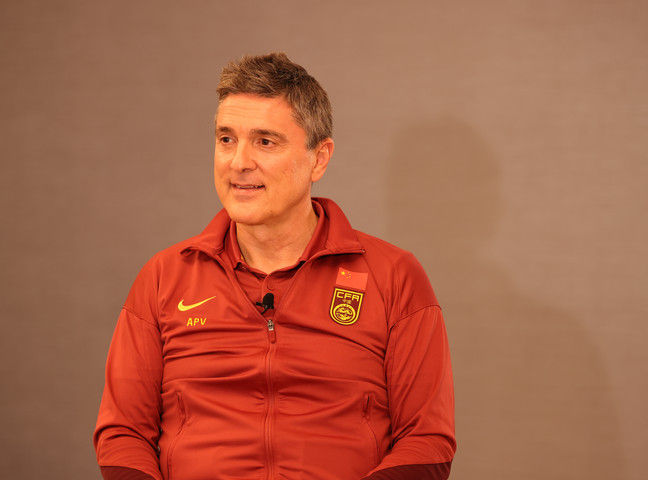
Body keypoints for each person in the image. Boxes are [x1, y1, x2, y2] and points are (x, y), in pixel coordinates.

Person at [93, 52, 456, 480]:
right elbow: (123, 435)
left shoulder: (394, 276)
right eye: (226, 139)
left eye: (265, 141)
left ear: (319, 158)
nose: (238, 162)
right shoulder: (164, 277)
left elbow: (427, 441)